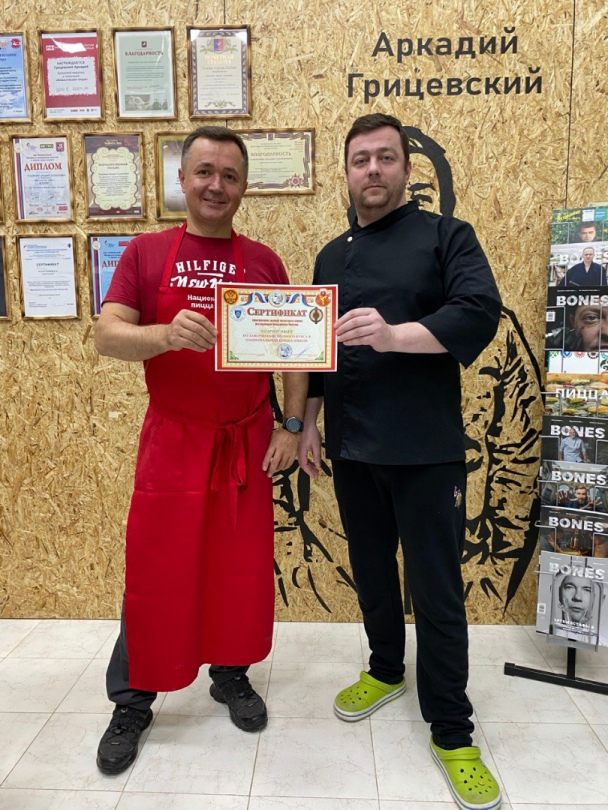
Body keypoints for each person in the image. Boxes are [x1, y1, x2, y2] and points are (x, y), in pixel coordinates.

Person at [299, 113, 502, 810]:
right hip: (352, 446)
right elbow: (318, 353)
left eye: (386, 158)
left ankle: (453, 731)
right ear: (346, 172)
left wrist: (393, 336)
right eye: (361, 160)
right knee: (372, 572)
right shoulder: (330, 256)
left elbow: (477, 312)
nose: (373, 170)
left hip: (425, 449)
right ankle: (386, 669)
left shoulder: (448, 236)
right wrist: (308, 424)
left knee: (436, 589)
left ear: (406, 170)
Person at [94, 126, 308, 775]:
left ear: (243, 187)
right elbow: (107, 334)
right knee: (156, 571)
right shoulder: (146, 252)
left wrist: (290, 426)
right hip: (174, 440)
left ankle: (230, 674)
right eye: (205, 172)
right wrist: (163, 335)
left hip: (245, 439)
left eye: (230, 175)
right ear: (182, 179)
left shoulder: (265, 262)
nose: (217, 185)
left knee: (238, 568)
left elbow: (295, 352)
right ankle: (133, 700)